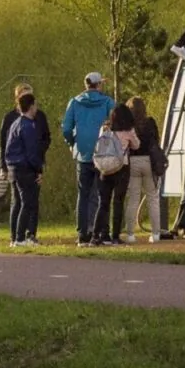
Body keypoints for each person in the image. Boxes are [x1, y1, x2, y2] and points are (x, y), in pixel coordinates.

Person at [60, 72, 117, 247]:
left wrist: (72, 142)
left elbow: (66, 128)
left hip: (83, 153)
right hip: (103, 153)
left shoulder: (75, 102)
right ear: (98, 85)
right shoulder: (107, 102)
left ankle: (82, 233)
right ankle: (100, 232)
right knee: (102, 194)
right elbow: (116, 122)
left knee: (83, 194)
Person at [1, 91, 46, 247]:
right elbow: (32, 151)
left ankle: (15, 237)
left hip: (13, 167)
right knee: (28, 202)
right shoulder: (28, 126)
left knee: (18, 203)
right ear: (31, 106)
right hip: (25, 168)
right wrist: (38, 169)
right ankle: (20, 238)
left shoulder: (15, 124)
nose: (36, 109)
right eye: (35, 105)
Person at [92, 104, 139, 247]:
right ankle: (115, 236)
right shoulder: (128, 131)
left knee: (103, 204)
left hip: (104, 169)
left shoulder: (105, 128)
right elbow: (136, 145)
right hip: (121, 168)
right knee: (118, 202)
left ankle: (96, 235)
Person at [122, 97, 165, 243]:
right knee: (153, 198)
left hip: (132, 162)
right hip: (149, 161)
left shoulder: (127, 124)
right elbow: (156, 141)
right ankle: (156, 234)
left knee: (133, 199)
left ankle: (130, 234)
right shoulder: (150, 122)